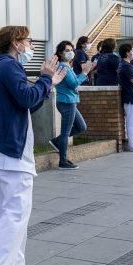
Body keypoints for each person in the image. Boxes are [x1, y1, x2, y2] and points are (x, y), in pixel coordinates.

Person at [0, 26, 66, 265]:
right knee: (16, 213)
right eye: (27, 41)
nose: (30, 46)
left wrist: (47, 84)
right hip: (10, 153)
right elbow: (28, 98)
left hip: (5, 150)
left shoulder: (3, 67)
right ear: (15, 43)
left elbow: (28, 103)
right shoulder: (8, 67)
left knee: (10, 212)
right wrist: (46, 79)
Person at [50, 41, 93, 169]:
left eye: (71, 50)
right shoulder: (63, 66)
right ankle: (63, 161)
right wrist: (84, 73)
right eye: (67, 50)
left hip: (70, 101)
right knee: (66, 132)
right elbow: (73, 84)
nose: (70, 52)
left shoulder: (67, 66)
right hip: (66, 102)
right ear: (60, 53)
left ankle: (57, 142)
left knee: (81, 126)